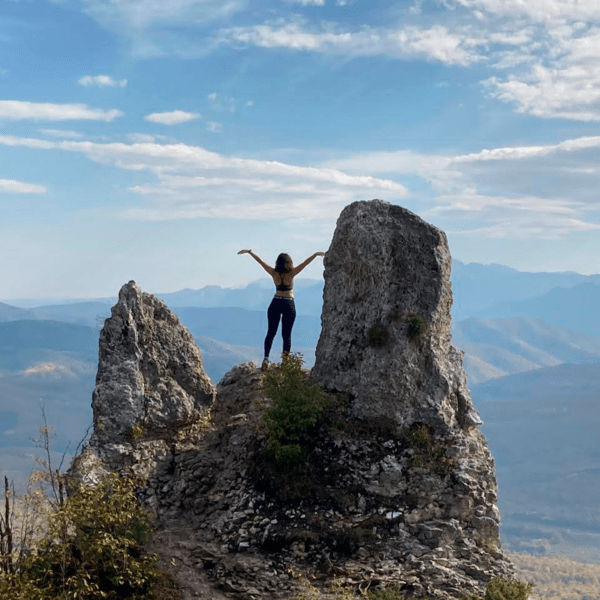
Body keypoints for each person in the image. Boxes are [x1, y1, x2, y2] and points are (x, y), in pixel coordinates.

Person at [237, 249, 326, 371]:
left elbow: (261, 262)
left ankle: (266, 358)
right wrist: (315, 255)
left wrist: (250, 252)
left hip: (276, 302)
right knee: (286, 334)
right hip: (288, 303)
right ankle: (285, 362)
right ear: (289, 262)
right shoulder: (292, 273)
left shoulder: (274, 274)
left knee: (271, 332)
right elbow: (305, 263)